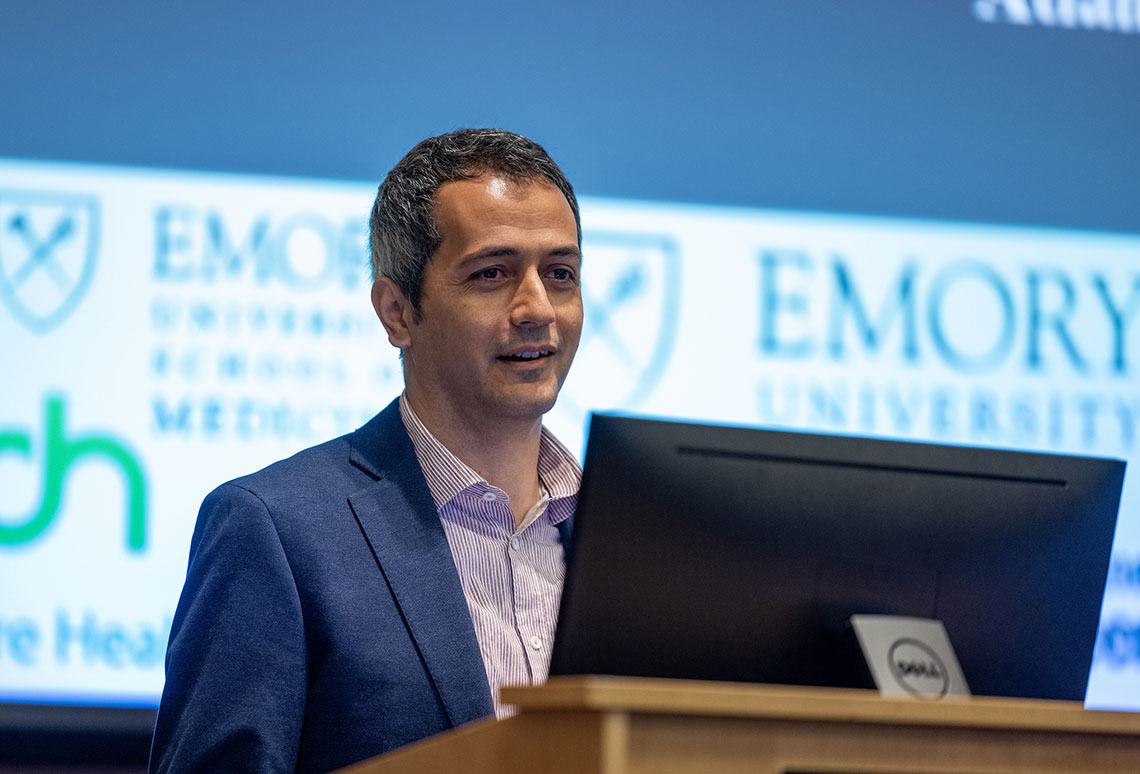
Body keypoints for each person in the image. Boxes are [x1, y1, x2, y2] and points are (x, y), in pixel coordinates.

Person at [149, 128, 584, 773]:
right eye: (492, 274)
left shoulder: (634, 544)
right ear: (397, 311)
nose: (538, 308)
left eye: (560, 274)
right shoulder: (273, 529)